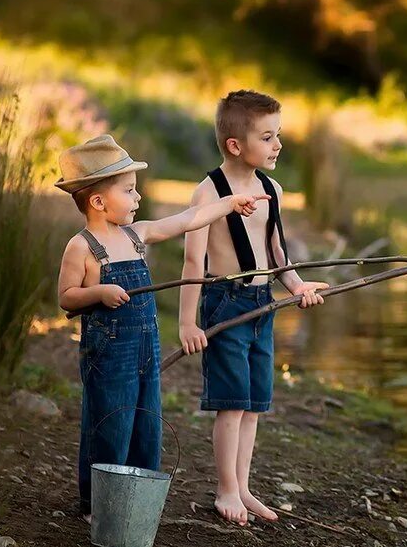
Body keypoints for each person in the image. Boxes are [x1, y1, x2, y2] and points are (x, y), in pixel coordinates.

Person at [55, 134, 269, 518]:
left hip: (145, 347)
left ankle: (135, 495)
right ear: (98, 202)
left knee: (146, 420)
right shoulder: (82, 247)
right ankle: (98, 502)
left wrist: (229, 204)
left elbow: (187, 220)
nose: (138, 199)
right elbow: (67, 296)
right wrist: (99, 292)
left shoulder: (136, 236)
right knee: (110, 421)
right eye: (130, 191)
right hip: (109, 351)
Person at [178, 91, 328, 525]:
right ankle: (226, 489)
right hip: (226, 305)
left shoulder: (271, 188)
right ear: (235, 145)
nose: (278, 144)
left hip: (263, 305)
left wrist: (297, 286)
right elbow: (193, 261)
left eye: (278, 134)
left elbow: (277, 250)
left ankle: (243, 486)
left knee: (254, 404)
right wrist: (188, 321)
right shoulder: (208, 192)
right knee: (231, 402)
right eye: (268, 136)